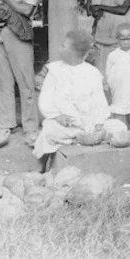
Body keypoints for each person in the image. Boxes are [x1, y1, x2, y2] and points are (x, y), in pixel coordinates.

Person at [32, 30, 110, 172]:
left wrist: (99, 122)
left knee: (116, 127)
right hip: (64, 124)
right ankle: (42, 163)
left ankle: (82, 139)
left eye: (64, 46)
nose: (60, 48)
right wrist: (57, 116)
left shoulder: (91, 73)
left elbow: (99, 101)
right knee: (49, 131)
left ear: (81, 53)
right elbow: (46, 99)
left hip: (87, 124)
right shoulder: (55, 70)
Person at [0, 0, 43, 147]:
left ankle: (30, 129)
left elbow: (26, 10)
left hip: (19, 36)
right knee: (1, 81)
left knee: (26, 82)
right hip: (0, 34)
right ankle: (5, 126)